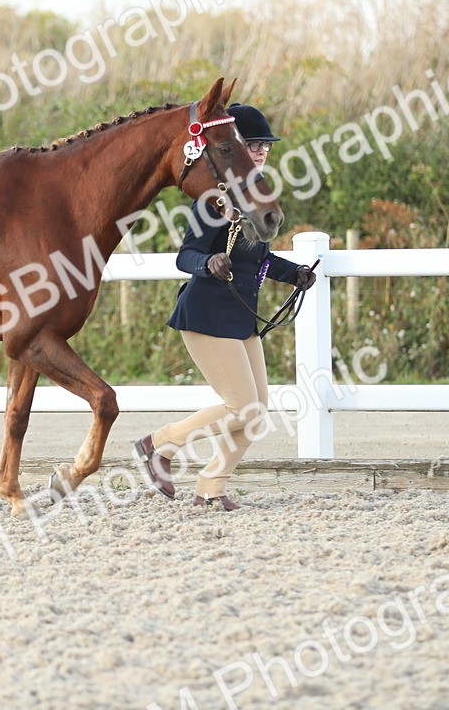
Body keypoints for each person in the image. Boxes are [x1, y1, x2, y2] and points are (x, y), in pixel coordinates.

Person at [134, 103, 316, 510]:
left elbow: (259, 260)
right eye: (252, 145)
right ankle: (159, 444)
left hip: (240, 319)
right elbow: (186, 256)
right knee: (240, 406)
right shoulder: (212, 199)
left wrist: (294, 274)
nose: (261, 151)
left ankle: (211, 486)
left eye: (264, 146)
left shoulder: (256, 193)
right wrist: (208, 263)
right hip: (205, 314)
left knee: (256, 412)